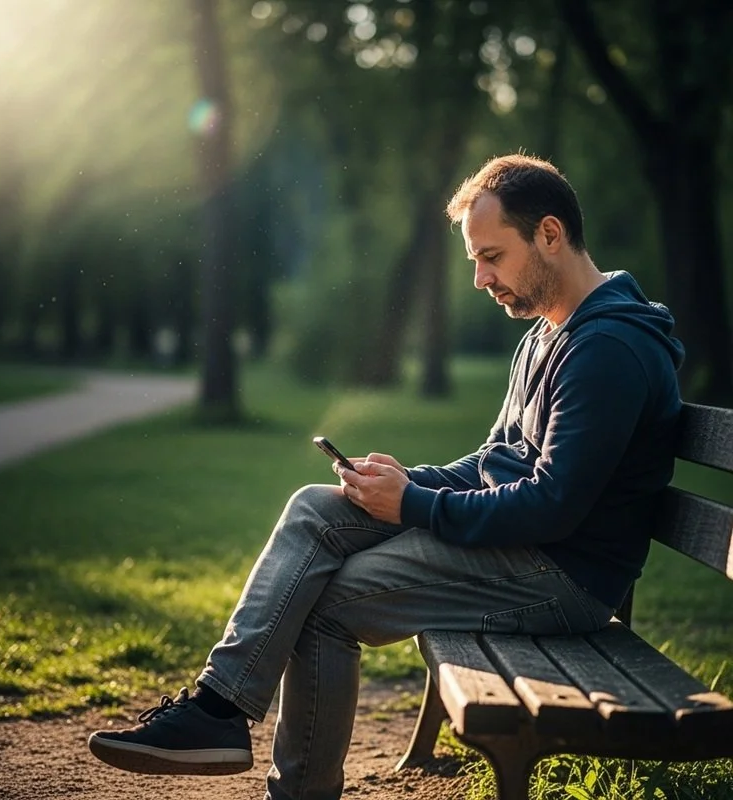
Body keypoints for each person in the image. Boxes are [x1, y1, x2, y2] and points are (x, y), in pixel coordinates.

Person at [87, 154, 684, 799]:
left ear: (548, 234)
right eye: (475, 262)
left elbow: (553, 505)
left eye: (492, 257)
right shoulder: (549, 332)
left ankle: (275, 773)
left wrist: (416, 505)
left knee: (324, 606)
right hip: (528, 549)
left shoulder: (608, 350)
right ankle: (216, 709)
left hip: (563, 575)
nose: (481, 278)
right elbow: (495, 463)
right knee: (317, 506)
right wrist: (406, 482)